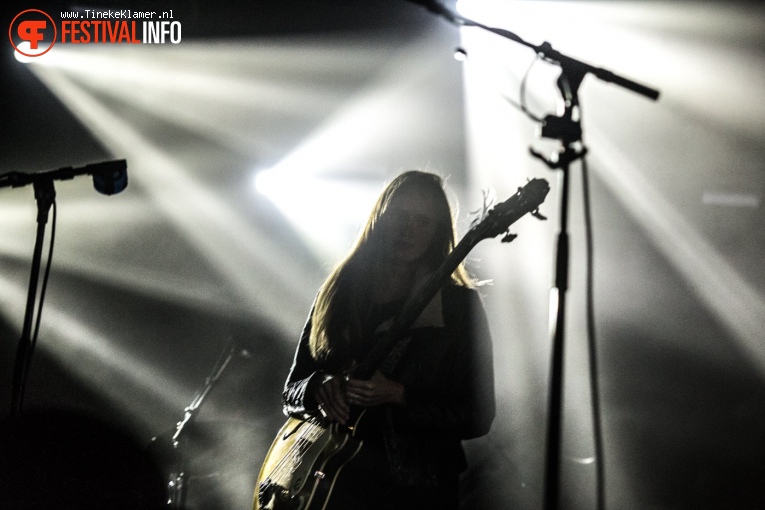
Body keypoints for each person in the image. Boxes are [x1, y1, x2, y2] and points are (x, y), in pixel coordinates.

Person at [280, 170, 495, 509]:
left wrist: (399, 395)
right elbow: (292, 388)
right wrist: (318, 386)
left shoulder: (457, 307)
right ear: (380, 217)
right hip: (333, 487)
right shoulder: (341, 290)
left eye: (423, 222)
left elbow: (478, 415)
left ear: (437, 232)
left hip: (415, 492)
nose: (409, 229)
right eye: (400, 216)